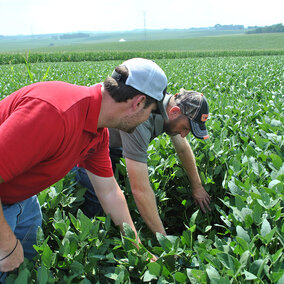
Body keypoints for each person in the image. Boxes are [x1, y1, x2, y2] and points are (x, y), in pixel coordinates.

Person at [0, 57, 168, 282]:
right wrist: (6, 243)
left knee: (25, 269)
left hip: (22, 198)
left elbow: (109, 192)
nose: (148, 119)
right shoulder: (56, 113)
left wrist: (136, 248)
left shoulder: (98, 132)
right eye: (152, 112)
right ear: (138, 102)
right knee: (9, 260)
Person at [76, 88, 211, 236]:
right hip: (83, 139)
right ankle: (83, 236)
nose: (184, 134)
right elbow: (140, 189)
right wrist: (165, 242)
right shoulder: (141, 119)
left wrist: (197, 187)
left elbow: (183, 149)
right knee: (98, 195)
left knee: (116, 186)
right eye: (185, 128)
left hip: (111, 140)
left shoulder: (169, 108)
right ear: (175, 111)